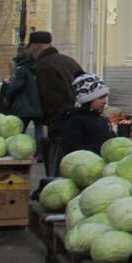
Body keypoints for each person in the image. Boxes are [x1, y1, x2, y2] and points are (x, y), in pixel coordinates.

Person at [31, 31, 85, 176]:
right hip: (80, 118)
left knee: (58, 162)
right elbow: (86, 86)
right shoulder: (68, 61)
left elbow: (52, 100)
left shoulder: (43, 66)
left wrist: (55, 128)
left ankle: (53, 183)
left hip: (61, 121)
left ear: (35, 47)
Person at [59, 74, 115, 158]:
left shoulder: (102, 118)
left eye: (105, 97)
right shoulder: (75, 120)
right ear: (88, 99)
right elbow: (73, 149)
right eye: (101, 98)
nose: (105, 101)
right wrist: (104, 148)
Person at [2, 50, 44, 158]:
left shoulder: (22, 69)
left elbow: (16, 85)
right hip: (39, 104)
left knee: (20, 129)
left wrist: (7, 97)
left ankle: (19, 150)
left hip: (25, 105)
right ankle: (40, 153)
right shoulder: (40, 67)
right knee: (39, 129)